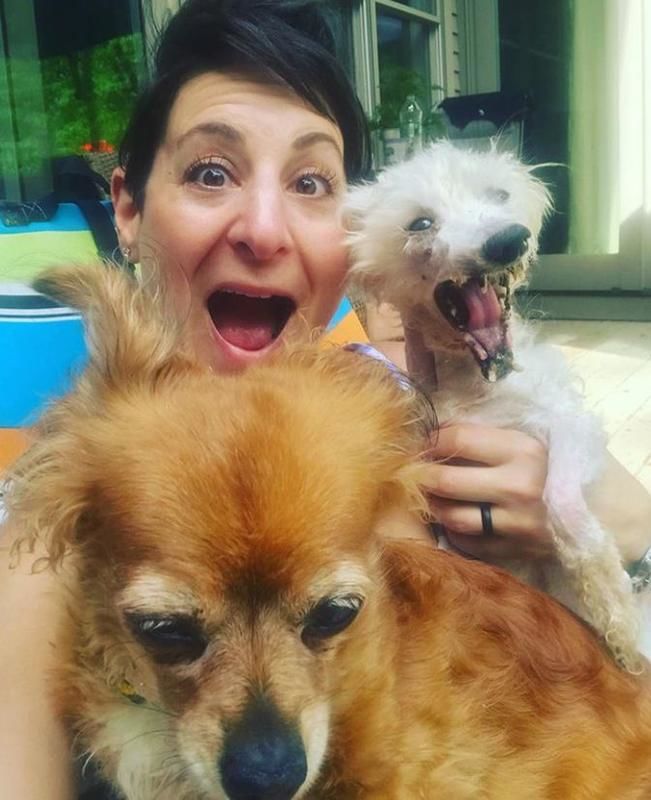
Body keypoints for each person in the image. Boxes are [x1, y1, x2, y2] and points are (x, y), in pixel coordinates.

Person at [1, 2, 649, 798]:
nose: (264, 230)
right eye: (211, 172)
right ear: (127, 210)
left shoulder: (410, 410)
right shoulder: (69, 500)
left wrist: (630, 533)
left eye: (311, 183)